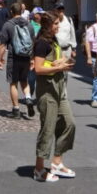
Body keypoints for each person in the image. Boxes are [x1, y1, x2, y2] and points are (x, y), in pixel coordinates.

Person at [32, 12, 76, 182]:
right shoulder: (42, 43)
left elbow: (56, 59)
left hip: (59, 89)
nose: (58, 26)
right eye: (56, 23)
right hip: (47, 91)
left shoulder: (54, 40)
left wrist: (62, 61)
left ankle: (57, 161)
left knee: (69, 123)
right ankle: (39, 169)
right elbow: (38, 68)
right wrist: (58, 68)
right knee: (48, 129)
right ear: (47, 25)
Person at [0, 2, 35, 118]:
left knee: (13, 83)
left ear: (11, 12)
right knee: (24, 81)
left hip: (14, 57)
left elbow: (3, 45)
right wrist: (32, 59)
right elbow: (33, 43)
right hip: (26, 57)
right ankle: (28, 98)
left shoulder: (8, 25)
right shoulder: (29, 25)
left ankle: (16, 110)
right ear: (22, 11)